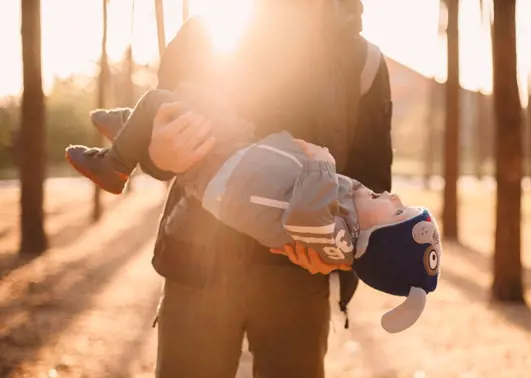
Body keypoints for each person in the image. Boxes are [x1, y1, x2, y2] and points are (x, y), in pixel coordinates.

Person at [127, 1, 395, 378]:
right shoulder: (206, 35)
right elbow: (159, 141)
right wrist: (157, 157)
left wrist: (338, 251)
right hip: (198, 270)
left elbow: (371, 179)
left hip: (298, 280)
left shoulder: (363, 61)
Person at [65, 83, 441, 332]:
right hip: (241, 159)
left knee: (173, 103)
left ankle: (115, 163)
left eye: (396, 212)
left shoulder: (339, 239)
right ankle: (132, 129)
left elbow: (304, 214)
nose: (393, 197)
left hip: (229, 178)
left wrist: (322, 163)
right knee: (188, 99)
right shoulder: (350, 221)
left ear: (373, 243)